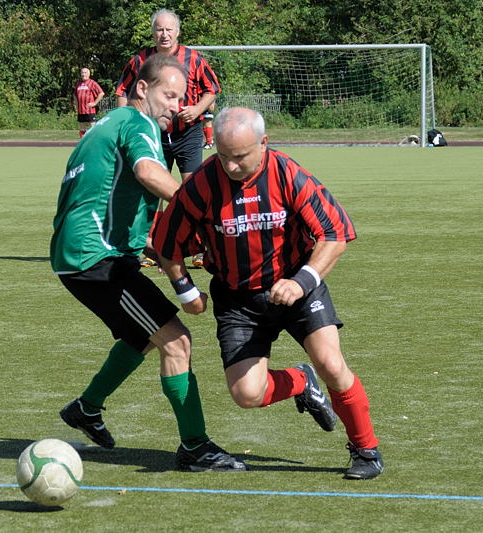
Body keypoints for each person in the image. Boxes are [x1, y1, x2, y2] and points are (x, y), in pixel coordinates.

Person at [152, 107, 384, 480]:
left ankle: (366, 449)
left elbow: (334, 234)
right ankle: (299, 381)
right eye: (223, 156)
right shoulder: (201, 185)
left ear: (264, 142)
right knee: (247, 394)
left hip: (298, 285)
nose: (230, 166)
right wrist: (186, 292)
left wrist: (301, 282)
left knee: (332, 364)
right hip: (237, 300)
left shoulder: (287, 173)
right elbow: (166, 244)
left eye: (240, 157)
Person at [51, 53, 245, 473]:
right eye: (169, 95)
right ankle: (195, 446)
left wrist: (165, 249)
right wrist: (200, 213)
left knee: (141, 336)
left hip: (87, 253)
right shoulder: (138, 124)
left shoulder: (110, 123)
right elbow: (147, 172)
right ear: (143, 89)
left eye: (181, 97)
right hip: (96, 258)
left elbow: (114, 197)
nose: (177, 105)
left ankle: (87, 408)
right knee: (177, 341)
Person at [115, 8, 218, 268]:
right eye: (159, 29)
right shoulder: (140, 60)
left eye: (169, 29)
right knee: (152, 191)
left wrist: (197, 109)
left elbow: (212, 89)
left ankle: (199, 247)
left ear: (177, 32)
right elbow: (122, 91)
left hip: (188, 133)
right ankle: (151, 246)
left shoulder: (193, 58)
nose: (164, 34)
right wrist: (124, 121)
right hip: (153, 134)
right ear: (152, 32)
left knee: (191, 188)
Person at [72, 67, 104, 138]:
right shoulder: (78, 84)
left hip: (90, 110)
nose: (83, 74)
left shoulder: (92, 83)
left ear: (89, 74)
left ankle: (95, 141)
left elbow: (101, 93)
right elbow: (74, 95)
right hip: (81, 110)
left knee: (93, 127)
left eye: (85, 72)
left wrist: (95, 103)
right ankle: (83, 142)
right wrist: (76, 104)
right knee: (82, 128)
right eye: (82, 73)